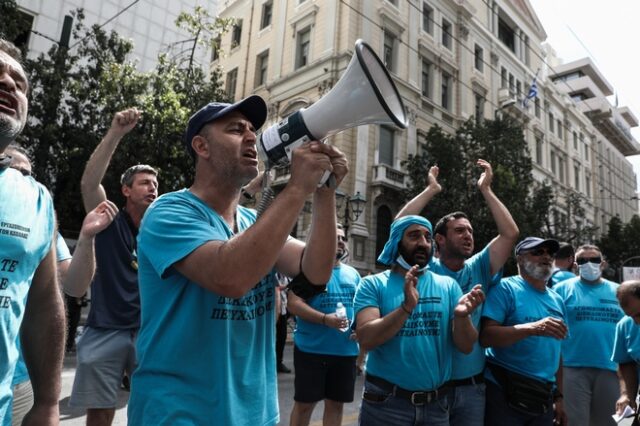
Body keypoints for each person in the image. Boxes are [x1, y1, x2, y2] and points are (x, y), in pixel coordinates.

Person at [127, 95, 347, 425]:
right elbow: (231, 276)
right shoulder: (168, 212)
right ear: (202, 146)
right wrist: (298, 188)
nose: (250, 137)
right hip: (181, 414)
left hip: (256, 414)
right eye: (235, 129)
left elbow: (316, 271)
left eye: (252, 130)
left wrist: (324, 192)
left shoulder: (250, 221)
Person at [396, 161, 519, 426]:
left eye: (471, 231)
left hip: (472, 388)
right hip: (433, 389)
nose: (468, 236)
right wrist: (431, 189)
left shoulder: (480, 267)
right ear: (439, 239)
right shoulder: (425, 270)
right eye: (460, 230)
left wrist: (486, 189)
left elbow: (510, 233)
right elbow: (400, 225)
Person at [69, 108, 158, 425]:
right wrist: (115, 134)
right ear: (126, 191)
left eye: (155, 184)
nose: (152, 188)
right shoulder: (107, 219)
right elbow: (89, 182)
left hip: (149, 333)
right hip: (105, 329)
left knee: (154, 408)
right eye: (145, 183)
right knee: (101, 412)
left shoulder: (161, 228)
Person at [354, 215, 485, 426]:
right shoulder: (372, 285)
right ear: (397, 241)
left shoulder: (448, 286)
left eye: (427, 237)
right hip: (386, 406)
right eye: (414, 236)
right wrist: (406, 308)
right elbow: (366, 339)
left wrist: (461, 317)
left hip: (437, 407)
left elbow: (466, 345)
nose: (423, 243)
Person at [0, 38, 65, 425]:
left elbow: (43, 303)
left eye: (19, 82)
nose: (9, 84)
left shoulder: (36, 198)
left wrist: (47, 402)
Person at [480, 237, 568, 426]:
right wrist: (531, 328)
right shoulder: (504, 289)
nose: (546, 257)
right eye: (537, 252)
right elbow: (486, 337)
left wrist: (559, 397)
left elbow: (557, 352)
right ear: (519, 259)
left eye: (549, 253)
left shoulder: (557, 299)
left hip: (543, 396)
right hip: (504, 390)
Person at [288, 224, 361, 426]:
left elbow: (361, 307)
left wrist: (359, 327)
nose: (339, 241)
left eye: (343, 238)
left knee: (336, 406)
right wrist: (325, 319)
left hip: (345, 352)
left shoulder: (353, 274)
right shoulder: (308, 272)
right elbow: (294, 304)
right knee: (304, 405)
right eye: (334, 236)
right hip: (311, 351)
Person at [552, 244, 621, 426]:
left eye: (594, 260)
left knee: (614, 422)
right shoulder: (560, 290)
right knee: (574, 422)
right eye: (582, 260)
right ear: (574, 266)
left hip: (612, 368)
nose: (589, 263)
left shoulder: (620, 292)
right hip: (571, 367)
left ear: (603, 264)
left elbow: (630, 329)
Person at [613, 280, 640, 423]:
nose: (636, 322)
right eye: (630, 316)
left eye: (639, 315)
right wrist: (626, 394)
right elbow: (626, 363)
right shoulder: (624, 325)